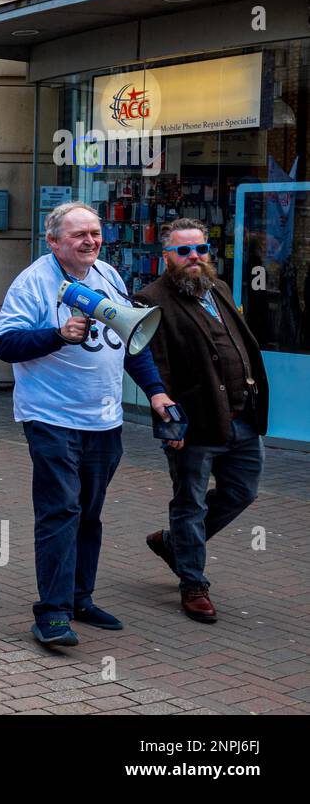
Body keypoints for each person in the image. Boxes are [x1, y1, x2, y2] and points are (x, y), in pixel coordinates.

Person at [0, 201, 176, 647]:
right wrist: (57, 335)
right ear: (54, 241)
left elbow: (132, 339)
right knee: (61, 511)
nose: (91, 241)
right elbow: (4, 344)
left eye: (95, 232)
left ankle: (80, 597)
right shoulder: (33, 282)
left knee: (89, 514)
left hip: (104, 420)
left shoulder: (108, 276)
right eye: (79, 234)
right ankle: (52, 613)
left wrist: (155, 391)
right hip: (51, 417)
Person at [134, 218, 267, 623]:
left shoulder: (219, 288)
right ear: (166, 257)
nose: (194, 257)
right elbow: (156, 368)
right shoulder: (148, 300)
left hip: (242, 417)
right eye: (183, 251)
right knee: (189, 501)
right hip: (195, 422)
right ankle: (193, 584)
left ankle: (175, 544)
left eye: (201, 250)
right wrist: (170, 425)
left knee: (242, 491)